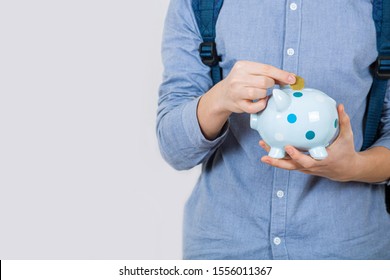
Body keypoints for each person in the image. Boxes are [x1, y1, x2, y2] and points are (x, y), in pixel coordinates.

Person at [156, 0, 390, 259]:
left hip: (349, 249)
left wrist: (353, 167)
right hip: (225, 249)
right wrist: (219, 99)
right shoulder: (199, 4)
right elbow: (175, 149)